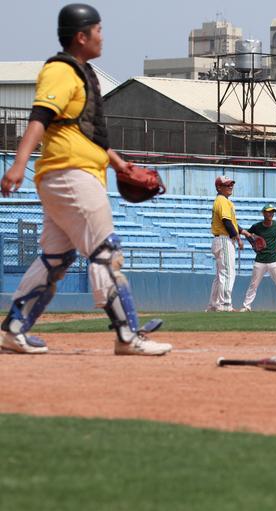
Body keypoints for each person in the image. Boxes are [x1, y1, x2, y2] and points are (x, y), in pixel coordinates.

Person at [0, 4, 171, 355]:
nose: (102, 37)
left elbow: (86, 134)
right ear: (81, 36)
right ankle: (128, 336)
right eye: (98, 30)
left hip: (68, 174)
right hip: (71, 175)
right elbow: (39, 118)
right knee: (106, 253)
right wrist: (18, 163)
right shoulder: (62, 71)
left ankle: (14, 330)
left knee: (56, 259)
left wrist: (120, 165)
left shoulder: (81, 73)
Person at [240, 204, 276, 312]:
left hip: (274, 260)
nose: (271, 213)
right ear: (263, 213)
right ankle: (246, 306)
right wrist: (253, 243)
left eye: (272, 212)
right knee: (253, 285)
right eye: (269, 211)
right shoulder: (257, 226)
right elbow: (247, 234)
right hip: (260, 260)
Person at [206, 175, 248, 312]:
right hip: (224, 239)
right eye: (227, 184)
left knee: (220, 275)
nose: (230, 186)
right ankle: (225, 305)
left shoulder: (222, 201)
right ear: (219, 187)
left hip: (220, 239)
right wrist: (238, 238)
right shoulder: (222, 200)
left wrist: (243, 232)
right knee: (227, 273)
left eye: (231, 184)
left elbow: (231, 222)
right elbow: (227, 222)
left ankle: (214, 305)